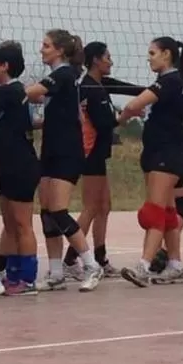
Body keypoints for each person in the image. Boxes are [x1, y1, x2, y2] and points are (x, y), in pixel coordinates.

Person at [25, 30, 102, 292]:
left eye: (46, 45)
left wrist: (7, 92)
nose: (41, 49)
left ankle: (91, 265)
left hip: (68, 152)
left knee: (58, 209)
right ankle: (56, 273)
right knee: (47, 213)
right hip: (50, 149)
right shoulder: (58, 77)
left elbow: (34, 92)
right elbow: (46, 104)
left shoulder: (64, 74)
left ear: (60, 50)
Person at [118, 37, 183, 288]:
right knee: (169, 213)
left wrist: (125, 116)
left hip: (166, 154)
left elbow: (134, 103)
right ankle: (176, 265)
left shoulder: (170, 81)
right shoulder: (170, 82)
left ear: (167, 54)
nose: (149, 57)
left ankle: (144, 265)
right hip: (158, 152)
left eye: (152, 52)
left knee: (155, 211)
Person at [0, 41, 40, 295]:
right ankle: (12, 274)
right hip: (4, 165)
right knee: (10, 223)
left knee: (22, 223)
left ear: (4, 66)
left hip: (20, 166)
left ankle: (27, 278)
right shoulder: (4, 94)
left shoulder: (11, 90)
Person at [64, 41, 119, 278]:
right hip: (91, 152)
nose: (111, 61)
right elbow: (105, 123)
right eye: (107, 57)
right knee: (91, 207)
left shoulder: (97, 85)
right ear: (96, 59)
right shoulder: (90, 87)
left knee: (105, 206)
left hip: (99, 153)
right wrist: (127, 114)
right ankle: (70, 259)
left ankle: (100, 256)